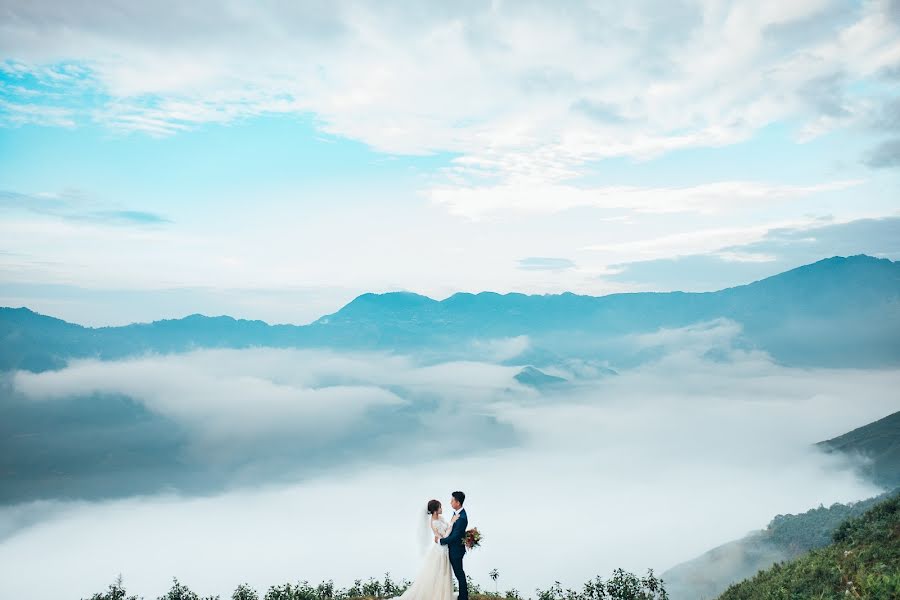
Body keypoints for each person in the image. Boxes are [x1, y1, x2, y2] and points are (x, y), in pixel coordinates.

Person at [394, 498, 455, 600]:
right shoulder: (434, 522)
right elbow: (445, 536)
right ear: (435, 510)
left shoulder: (441, 517)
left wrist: (450, 525)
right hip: (441, 551)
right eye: (440, 507)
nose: (442, 509)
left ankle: (443, 594)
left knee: (443, 573)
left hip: (444, 548)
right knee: (440, 573)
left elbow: (447, 527)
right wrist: (452, 523)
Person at [437, 491, 468, 600]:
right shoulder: (457, 513)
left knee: (459, 574)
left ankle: (463, 598)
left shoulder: (462, 517)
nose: (450, 503)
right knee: (459, 574)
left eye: (452, 501)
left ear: (458, 502)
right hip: (453, 549)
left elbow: (455, 536)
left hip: (456, 551)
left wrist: (441, 541)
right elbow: (453, 530)